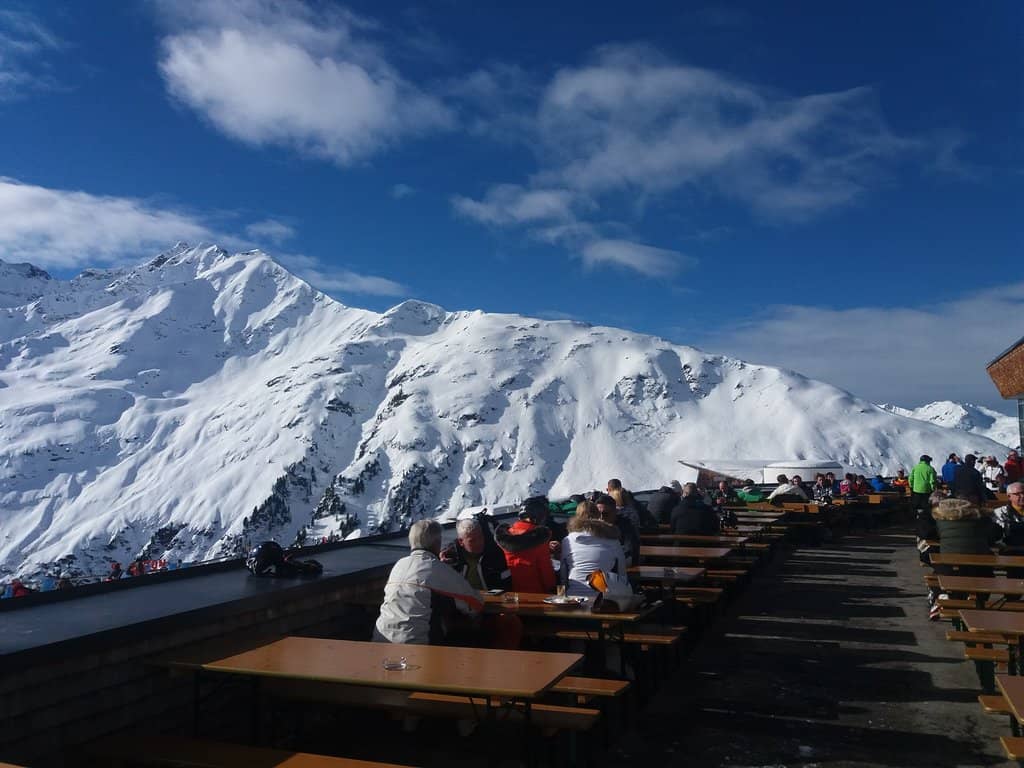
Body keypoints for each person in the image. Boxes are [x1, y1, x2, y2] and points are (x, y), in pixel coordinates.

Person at [374, 520, 483, 645]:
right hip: (416, 645)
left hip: (381, 639)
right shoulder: (438, 569)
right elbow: (475, 604)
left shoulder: (399, 565)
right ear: (437, 543)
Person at [929, 497, 1001, 620]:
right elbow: (996, 534)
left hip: (950, 566)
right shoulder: (982, 520)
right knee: (986, 575)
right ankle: (978, 601)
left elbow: (929, 534)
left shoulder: (940, 521)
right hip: (980, 568)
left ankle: (942, 597)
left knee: (939, 573)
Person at [560, 500, 628, 596]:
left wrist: (562, 598)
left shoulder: (568, 540)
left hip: (573, 596)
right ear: (598, 516)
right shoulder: (612, 540)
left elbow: (563, 576)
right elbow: (622, 574)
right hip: (602, 598)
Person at [494, 503, 557, 594]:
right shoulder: (539, 539)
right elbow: (546, 572)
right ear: (536, 518)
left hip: (512, 593)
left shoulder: (504, 537)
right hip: (537, 594)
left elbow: (521, 554)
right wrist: (554, 591)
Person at [440, 516, 512, 591]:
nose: (479, 543)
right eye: (472, 541)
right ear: (461, 542)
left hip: (495, 600)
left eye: (480, 537)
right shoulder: (451, 559)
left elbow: (508, 583)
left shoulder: (496, 554)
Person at [596, 494, 639, 567]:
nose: (601, 518)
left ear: (615, 511)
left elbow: (629, 550)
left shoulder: (627, 526)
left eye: (605, 514)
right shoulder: (594, 526)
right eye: (597, 514)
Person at [994, 482, 1024, 549]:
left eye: (1023, 493)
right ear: (1009, 496)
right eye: (1018, 494)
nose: (1022, 496)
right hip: (1010, 550)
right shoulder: (1000, 513)